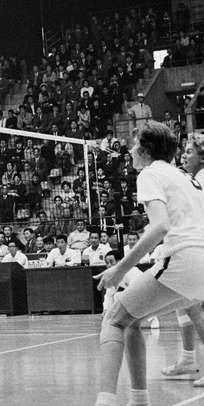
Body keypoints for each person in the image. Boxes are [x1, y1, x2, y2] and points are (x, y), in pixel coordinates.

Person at [94, 122, 204, 406]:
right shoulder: (183, 177)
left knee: (114, 318)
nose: (130, 150)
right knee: (131, 320)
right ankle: (139, 400)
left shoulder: (151, 172)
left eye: (133, 144)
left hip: (182, 258)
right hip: (200, 263)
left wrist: (120, 268)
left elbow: (160, 226)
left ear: (144, 149)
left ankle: (104, 401)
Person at [160, 132, 204, 387]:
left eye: (189, 152)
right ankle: (187, 358)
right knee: (187, 300)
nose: (184, 156)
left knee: (194, 304)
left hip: (197, 247)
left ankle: (188, 358)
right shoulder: (195, 178)